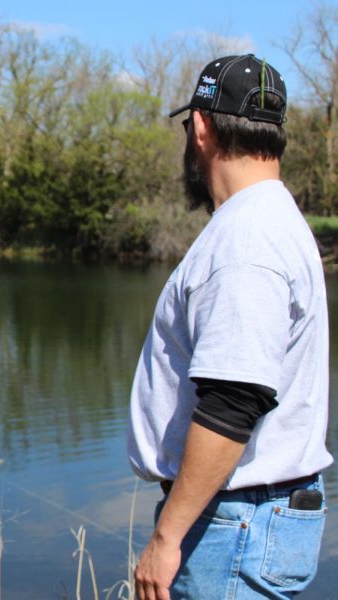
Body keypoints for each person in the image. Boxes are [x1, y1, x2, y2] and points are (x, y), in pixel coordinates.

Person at [128, 55, 332, 599]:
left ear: (200, 125)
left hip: (234, 523)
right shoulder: (269, 220)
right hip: (244, 516)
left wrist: (167, 537)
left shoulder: (247, 241)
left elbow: (234, 399)